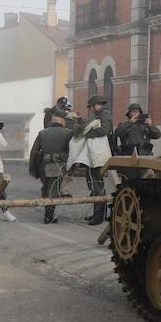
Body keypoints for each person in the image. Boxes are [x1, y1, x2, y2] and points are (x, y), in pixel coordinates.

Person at [68, 95, 113, 226]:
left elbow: (105, 130)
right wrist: (82, 121)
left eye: (93, 107)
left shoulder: (105, 114)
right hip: (94, 154)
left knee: (97, 185)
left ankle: (99, 217)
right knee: (94, 184)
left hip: (98, 154)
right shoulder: (100, 115)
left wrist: (85, 133)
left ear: (97, 105)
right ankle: (98, 214)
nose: (92, 109)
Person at [29, 115, 73, 224]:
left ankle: (47, 213)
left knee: (45, 188)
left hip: (43, 165)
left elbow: (34, 152)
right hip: (58, 166)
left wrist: (33, 169)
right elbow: (72, 151)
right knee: (53, 190)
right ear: (62, 122)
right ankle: (48, 216)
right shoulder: (68, 133)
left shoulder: (42, 133)